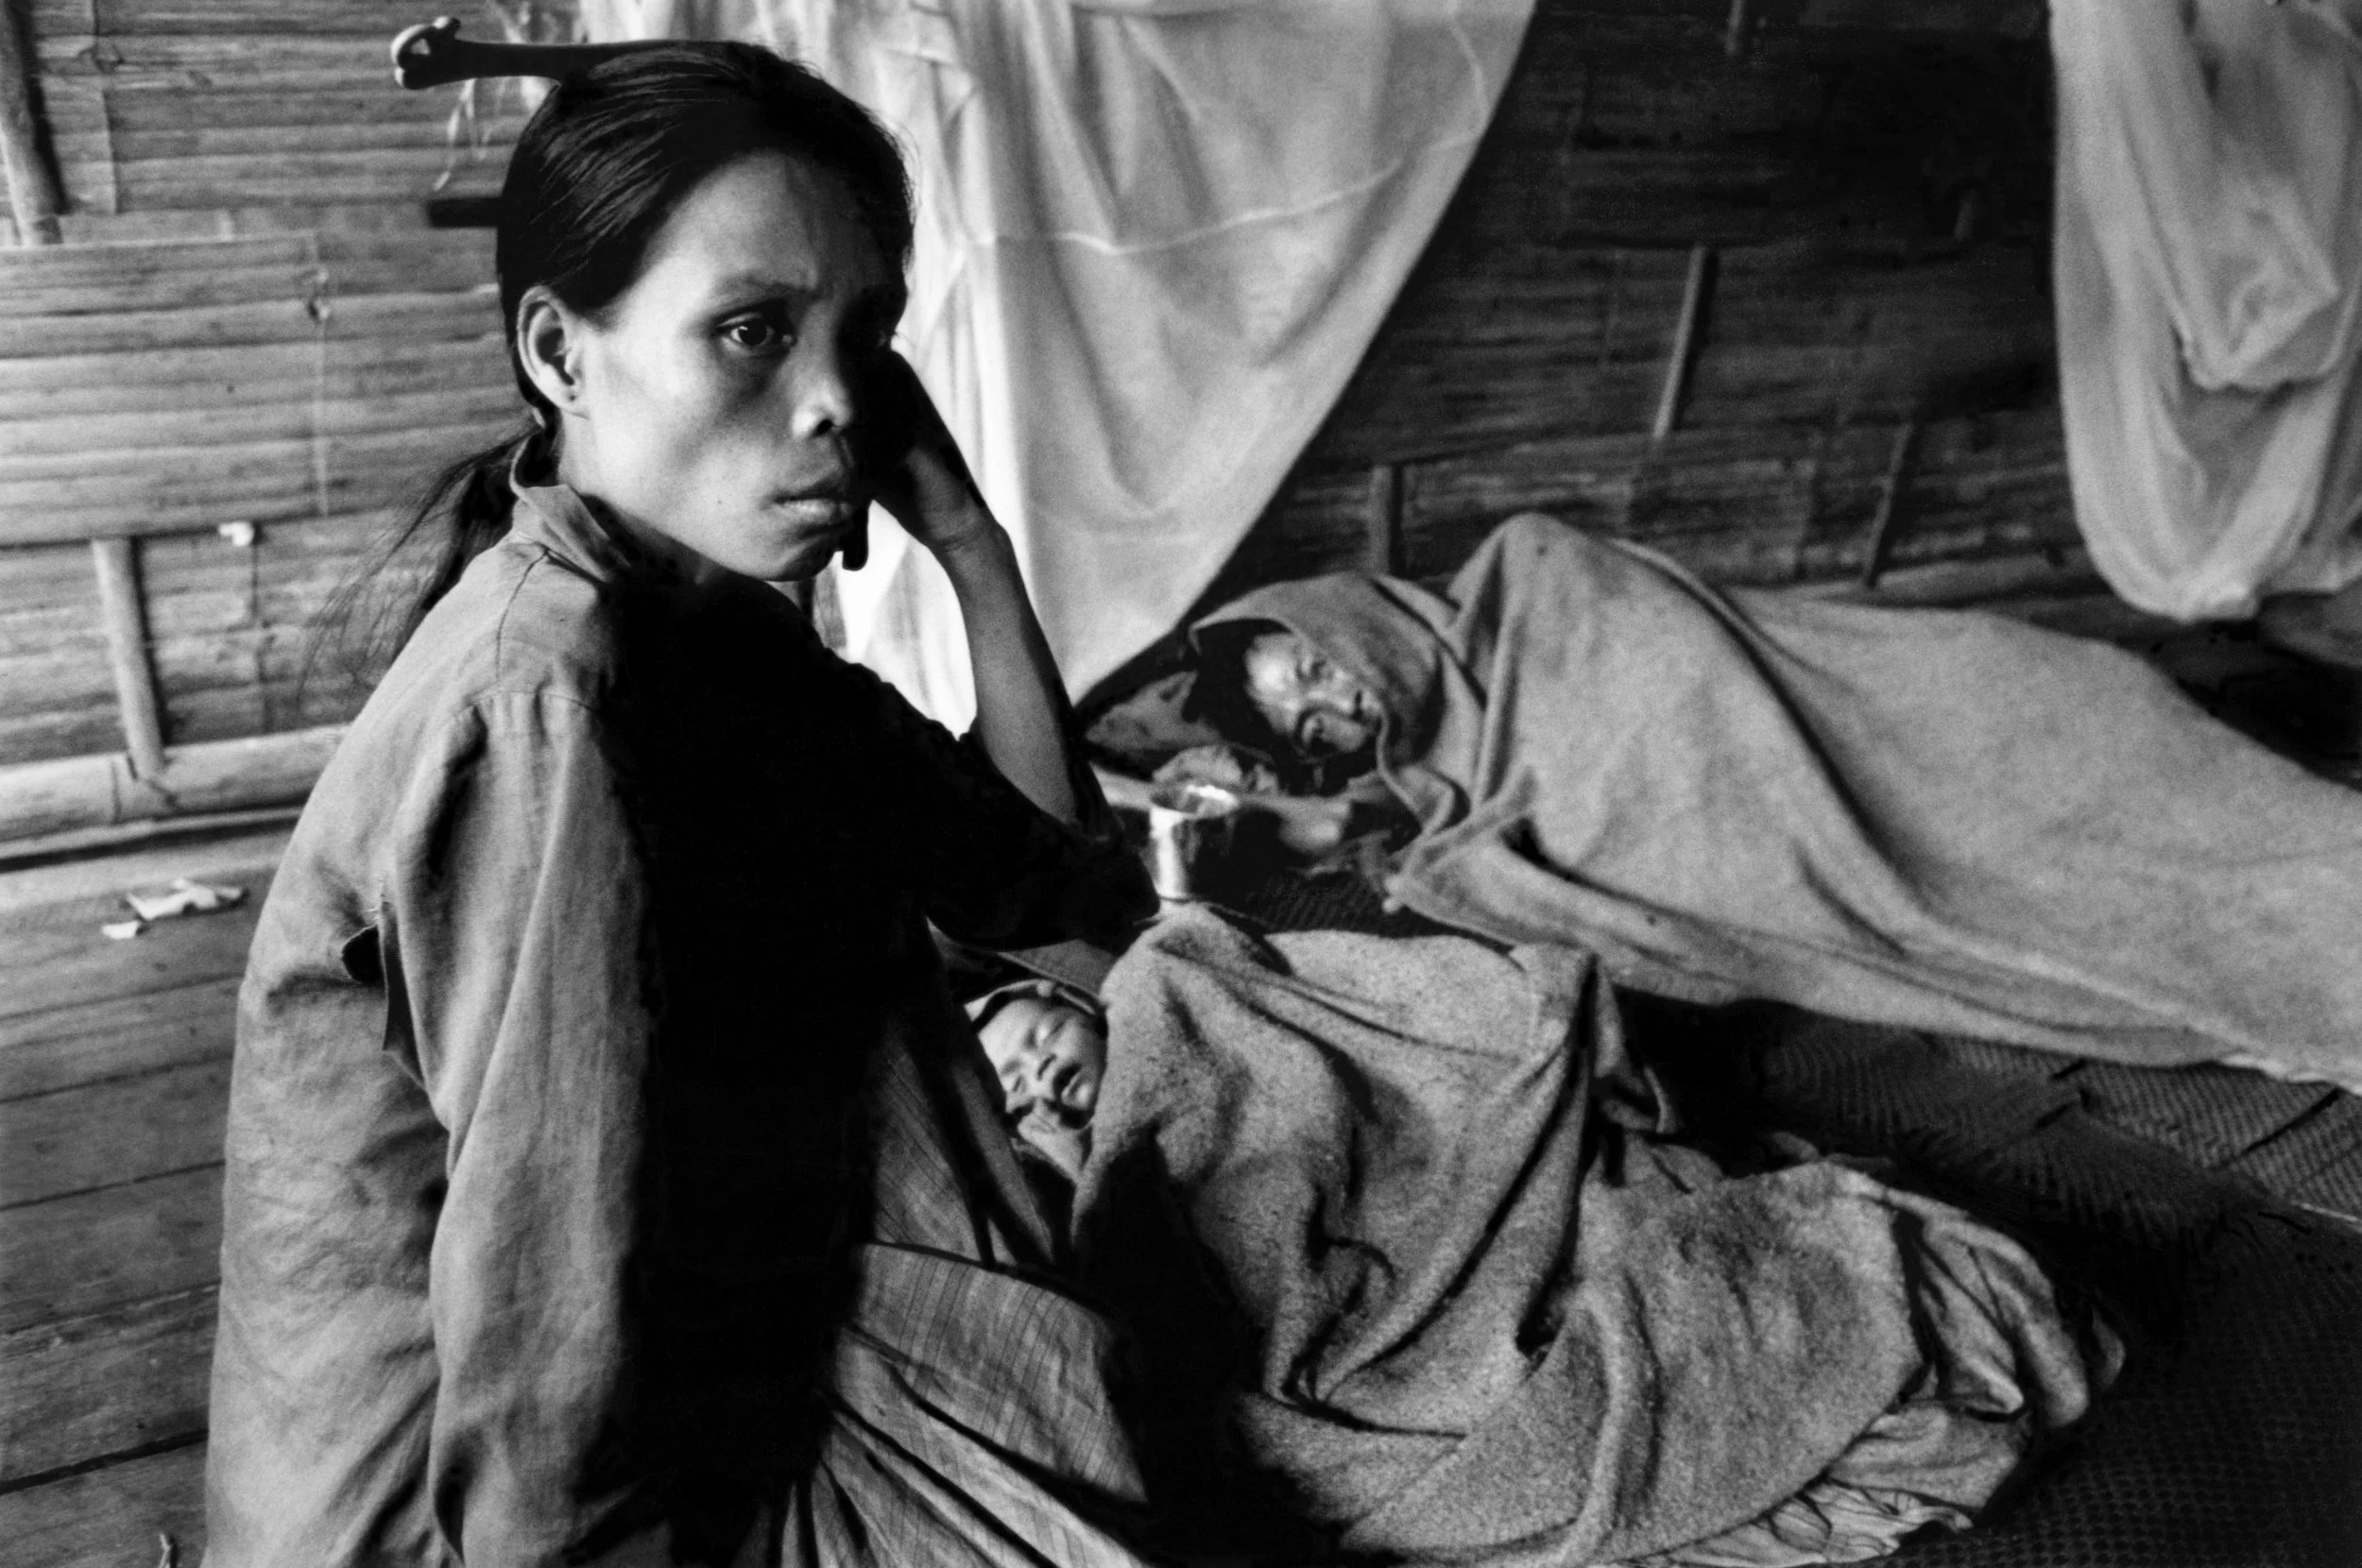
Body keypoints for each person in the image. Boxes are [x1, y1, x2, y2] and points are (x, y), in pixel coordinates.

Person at [206, 44, 1156, 1568]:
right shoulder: (552, 702)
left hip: (665, 1411)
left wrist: (971, 542)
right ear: (561, 352)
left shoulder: (718, 642)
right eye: (753, 332)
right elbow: (542, 1374)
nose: (836, 401)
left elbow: (1050, 889)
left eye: (866, 337)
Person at [963, 912, 2120, 1568]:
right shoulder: (1098, 1198)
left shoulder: (1182, 991)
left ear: (1071, 997)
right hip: (1360, 1340)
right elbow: (1178, 1331)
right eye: (1008, 1094)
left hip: (1461, 1185)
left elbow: (1431, 1033)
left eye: (1032, 1038)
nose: (1038, 1079)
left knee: (1734, 1256)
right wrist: (1084, 1171)